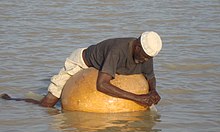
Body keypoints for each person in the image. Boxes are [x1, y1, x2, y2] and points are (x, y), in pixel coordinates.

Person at [1, 31, 162, 108]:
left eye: (148, 57)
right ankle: (11, 100)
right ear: (137, 45)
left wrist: (153, 91)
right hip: (81, 62)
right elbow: (102, 85)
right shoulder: (118, 50)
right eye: (144, 56)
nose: (145, 60)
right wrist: (137, 98)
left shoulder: (146, 55)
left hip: (102, 64)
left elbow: (150, 77)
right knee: (47, 104)